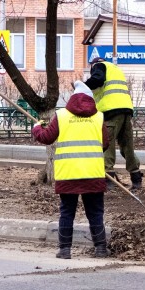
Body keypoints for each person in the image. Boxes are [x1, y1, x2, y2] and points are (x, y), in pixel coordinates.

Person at [32, 81, 111, 260]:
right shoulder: (98, 117)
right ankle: (100, 248)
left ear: (72, 98)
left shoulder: (62, 116)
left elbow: (46, 138)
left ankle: (65, 250)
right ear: (91, 99)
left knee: (67, 212)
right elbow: (105, 143)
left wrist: (37, 128)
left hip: (69, 174)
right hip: (93, 173)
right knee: (96, 213)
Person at [85, 56, 143, 190]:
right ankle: (136, 178)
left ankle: (108, 181)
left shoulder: (100, 66)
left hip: (111, 111)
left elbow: (97, 80)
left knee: (107, 144)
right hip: (125, 110)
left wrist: (83, 85)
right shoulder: (115, 69)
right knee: (127, 146)